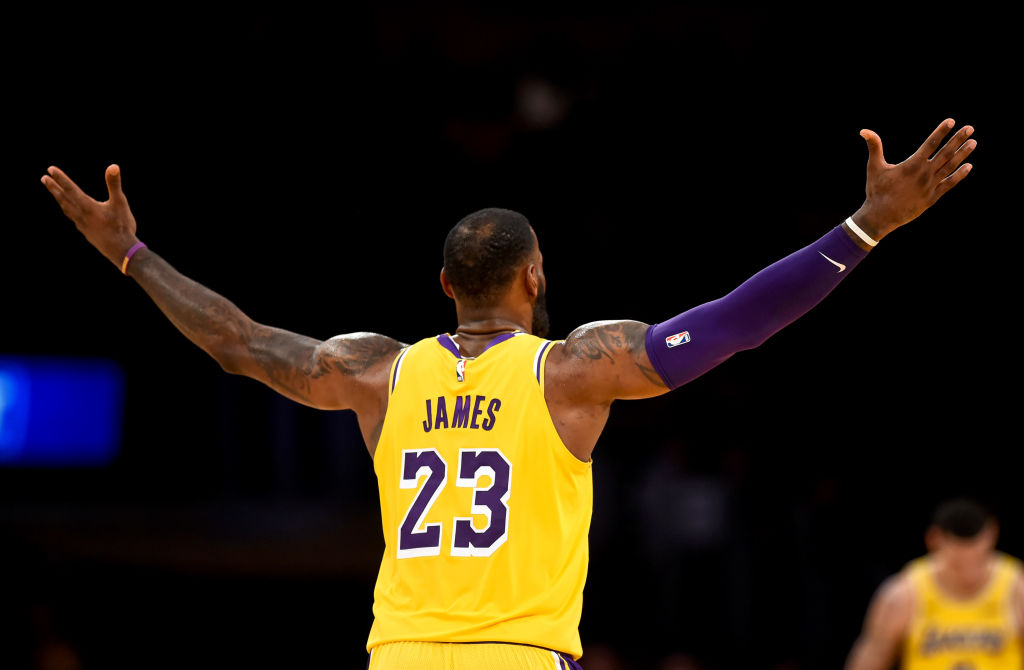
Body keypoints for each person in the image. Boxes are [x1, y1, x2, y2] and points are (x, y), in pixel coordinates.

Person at [41, 118, 975, 669]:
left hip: (398, 656)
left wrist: (131, 255)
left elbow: (238, 342)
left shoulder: (373, 371)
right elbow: (733, 323)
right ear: (535, 278)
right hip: (519, 657)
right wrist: (865, 227)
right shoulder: (570, 370)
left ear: (444, 284)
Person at [844, 498, 1024, 670]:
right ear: (934, 539)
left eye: (978, 560)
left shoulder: (1017, 590)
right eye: (957, 565)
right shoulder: (902, 596)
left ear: (993, 534)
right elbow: (868, 662)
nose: (969, 574)